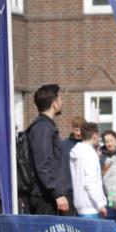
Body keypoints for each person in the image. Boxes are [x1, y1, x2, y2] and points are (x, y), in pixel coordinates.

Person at [20, 84, 74, 215]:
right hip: (45, 198)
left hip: (49, 196)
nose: (62, 102)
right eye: (60, 99)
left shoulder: (46, 127)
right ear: (54, 103)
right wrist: (58, 194)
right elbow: (43, 164)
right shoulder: (42, 128)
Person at [70, 122, 107, 219]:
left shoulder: (77, 150)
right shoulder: (89, 153)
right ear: (94, 135)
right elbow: (90, 181)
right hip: (91, 207)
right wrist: (100, 203)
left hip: (81, 205)